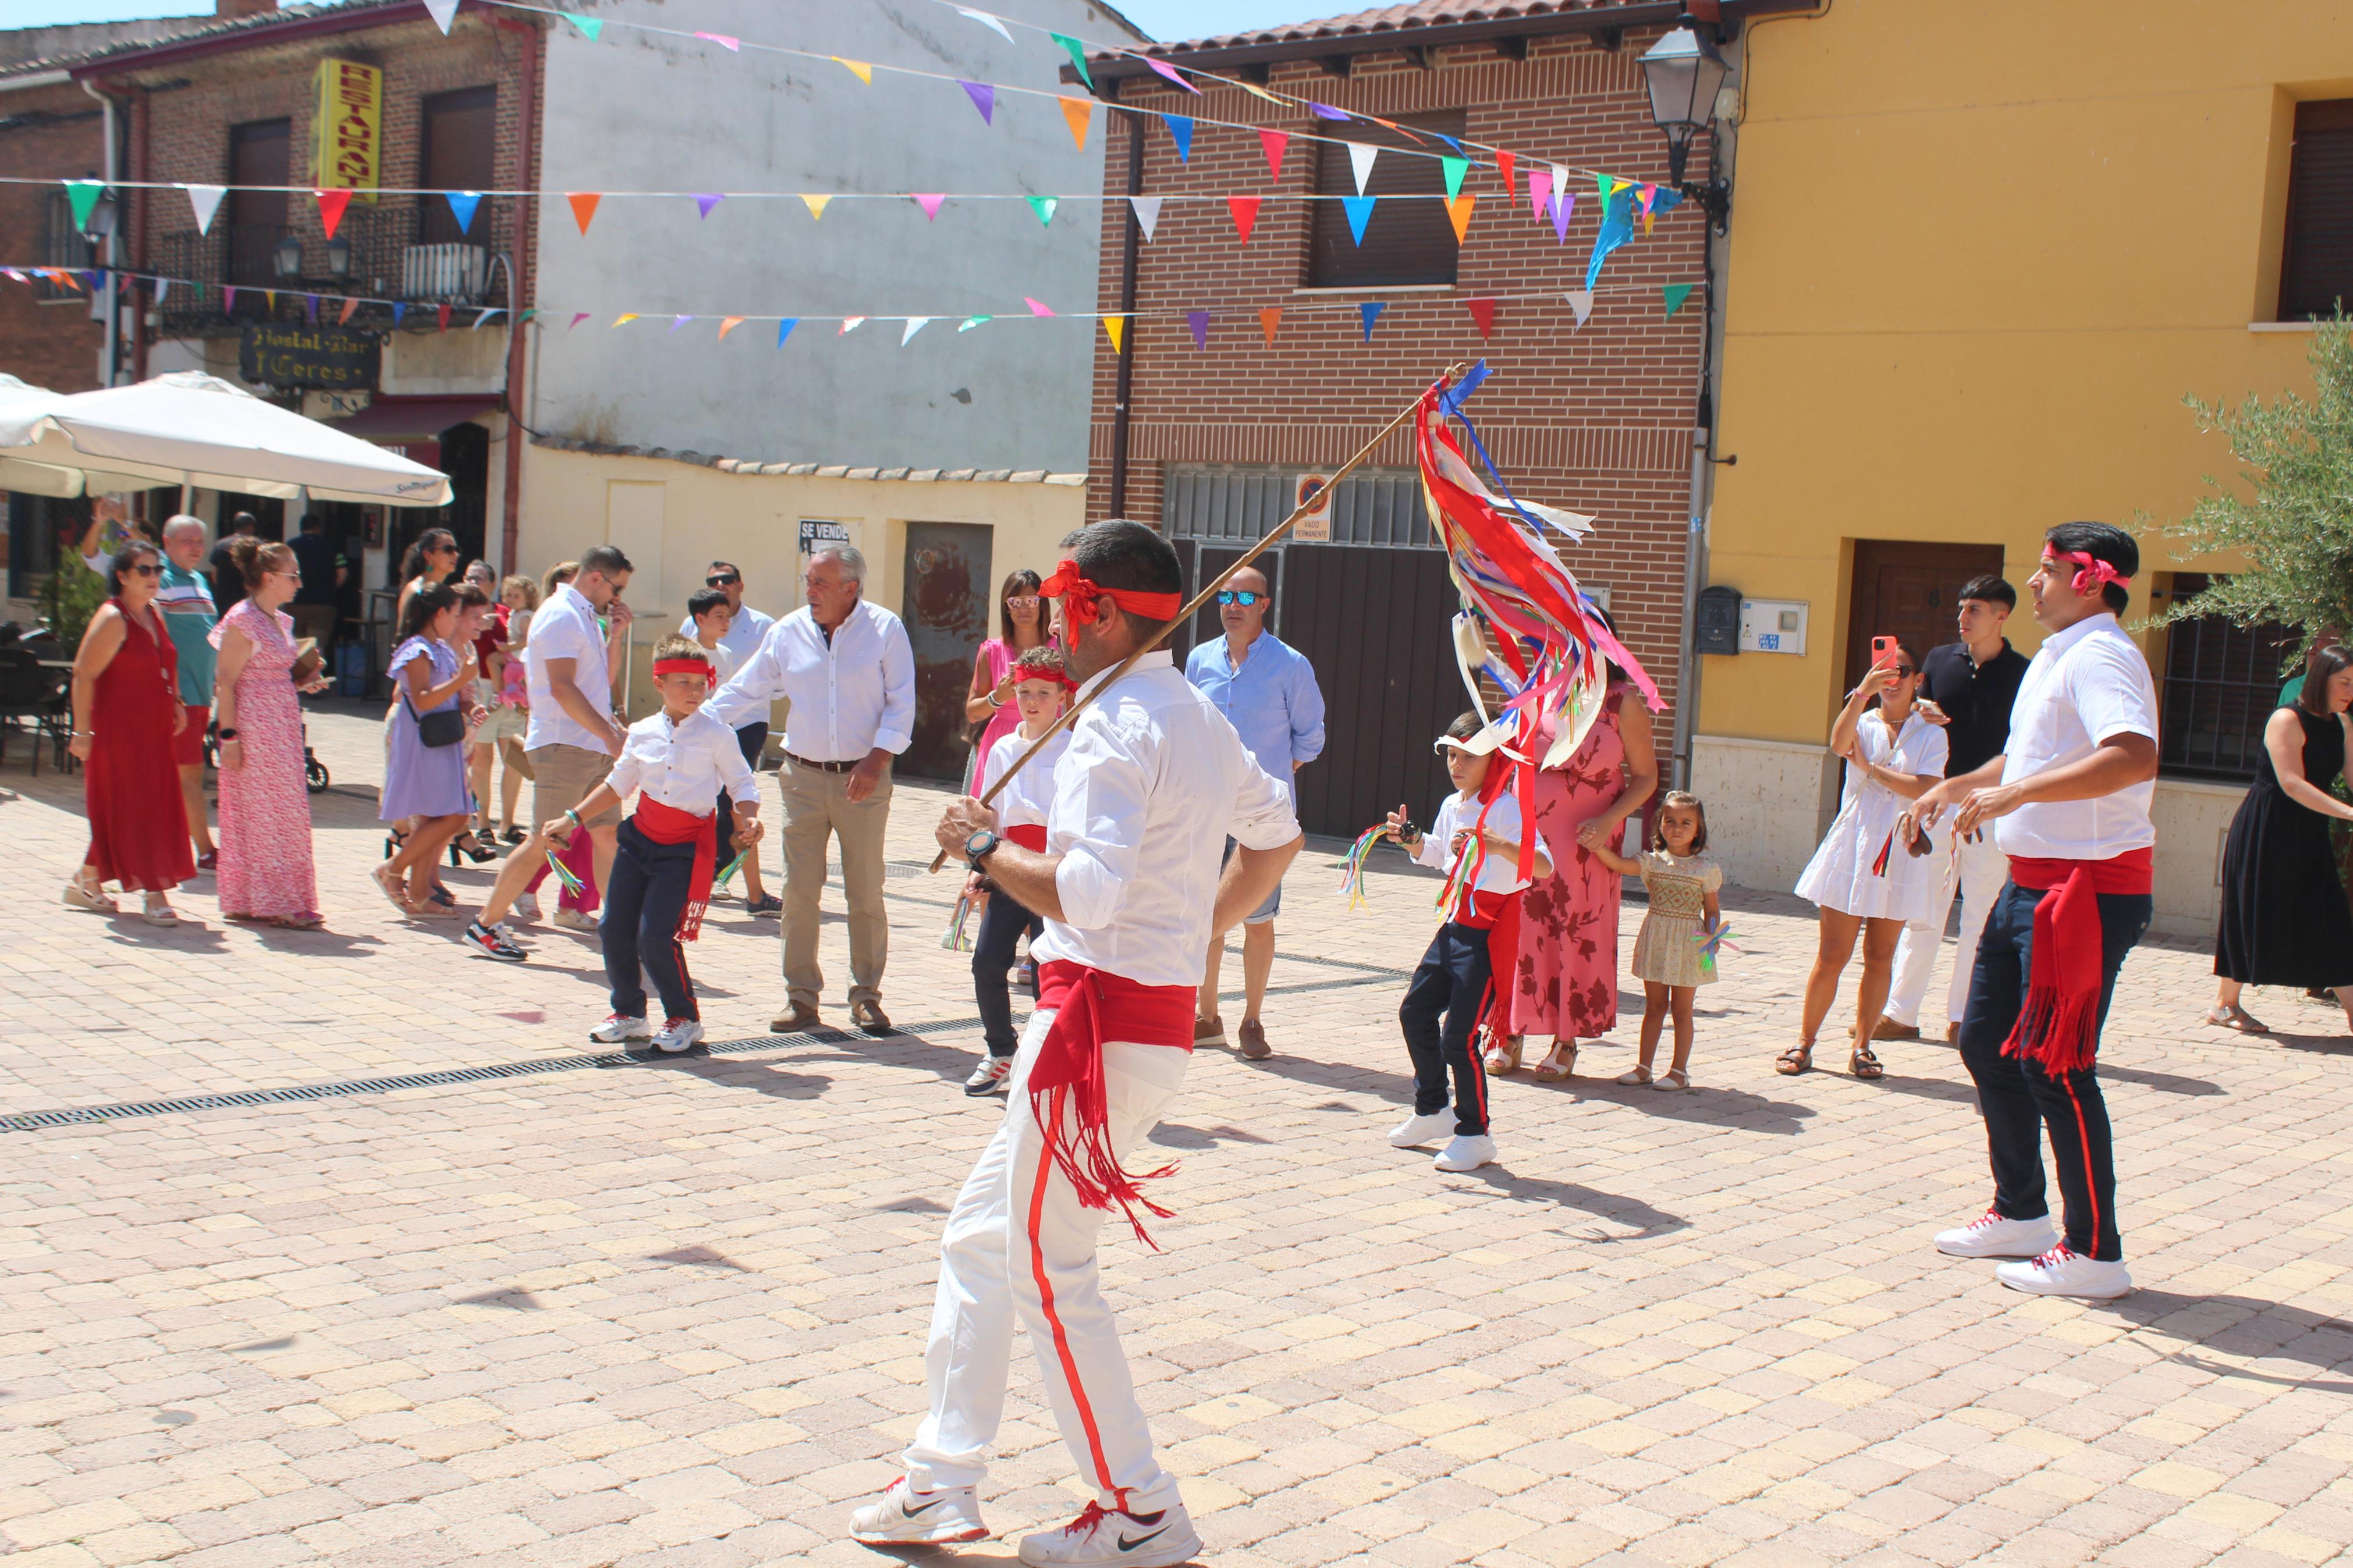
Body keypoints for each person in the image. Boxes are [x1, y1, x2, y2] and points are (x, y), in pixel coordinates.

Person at [850, 520, 1300, 1563]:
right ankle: (940, 1477)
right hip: (1127, 1025)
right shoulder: (1190, 712)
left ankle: (1139, 1506)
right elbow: (1276, 835)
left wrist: (983, 844)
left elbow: (1088, 895)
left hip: (1094, 1028)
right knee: (980, 1237)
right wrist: (1190, 936)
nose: (1049, 619)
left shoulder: (1115, 723)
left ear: (1091, 608)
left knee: (1049, 1267)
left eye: (1060, 601)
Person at [1905, 522, 2160, 1300]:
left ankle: (2094, 1253)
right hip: (2029, 884)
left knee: (2057, 1064)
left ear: (2088, 579)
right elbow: (2025, 760)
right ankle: (2020, 1213)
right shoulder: (2057, 654)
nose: (2032, 582)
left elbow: (2132, 754)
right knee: (1985, 1042)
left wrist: (2015, 793)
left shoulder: (2101, 655)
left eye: (2046, 569)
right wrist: (1957, 786)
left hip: (2085, 891)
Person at [709, 546, 914, 1032]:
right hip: (800, 777)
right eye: (808, 580)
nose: (810, 591)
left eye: (820, 582)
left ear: (850, 588)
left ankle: (866, 996)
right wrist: (693, 721)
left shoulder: (885, 628)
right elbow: (746, 688)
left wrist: (875, 760)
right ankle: (800, 998)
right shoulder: (787, 631)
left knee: (864, 891)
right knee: (799, 891)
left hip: (863, 778)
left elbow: (902, 703)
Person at [543, 636, 764, 1044]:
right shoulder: (641, 732)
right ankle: (629, 1012)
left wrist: (749, 816)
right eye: (683, 683)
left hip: (683, 848)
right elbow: (618, 784)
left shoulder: (717, 733)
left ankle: (684, 1018)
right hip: (638, 841)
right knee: (613, 928)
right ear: (659, 683)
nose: (695, 691)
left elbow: (741, 783)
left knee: (655, 935)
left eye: (701, 683)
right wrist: (572, 818)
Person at [1384, 713, 1553, 1174]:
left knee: (1458, 1039)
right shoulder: (1452, 803)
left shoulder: (1510, 808)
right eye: (1451, 755)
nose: (1456, 765)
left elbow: (1543, 865)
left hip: (1488, 936)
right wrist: (1413, 840)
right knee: (1414, 1013)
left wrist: (1501, 846)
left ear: (1494, 758)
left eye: (1468, 757)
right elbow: (1439, 853)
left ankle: (1476, 1134)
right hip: (1453, 926)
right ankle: (1432, 1108)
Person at [1499, 608, 1658, 1080]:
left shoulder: (1620, 701)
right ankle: (1509, 1029)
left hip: (1587, 840)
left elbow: (1645, 777)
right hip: (1529, 832)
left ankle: (1564, 1038)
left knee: (1572, 931)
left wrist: (1609, 820)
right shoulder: (1539, 689)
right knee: (1521, 927)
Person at [461, 547, 636, 960]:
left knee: (606, 835)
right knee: (547, 838)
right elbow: (561, 687)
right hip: (564, 745)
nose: (618, 598)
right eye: (617, 588)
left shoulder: (584, 614)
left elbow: (601, 681)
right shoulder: (560, 614)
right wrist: (609, 735)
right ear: (596, 577)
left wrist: (616, 636)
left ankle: (621, 930)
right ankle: (485, 924)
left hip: (590, 744)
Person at [1784, 639, 1947, 1078]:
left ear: (1918, 680)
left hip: (1898, 850)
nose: (1892, 680)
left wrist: (1872, 769)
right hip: (1853, 847)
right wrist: (1861, 692)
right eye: (1884, 671)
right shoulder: (1863, 720)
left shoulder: (1931, 733)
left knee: (1880, 954)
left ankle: (1862, 1046)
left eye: (1902, 671)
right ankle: (1804, 1042)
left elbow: (1925, 787)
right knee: (1832, 953)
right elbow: (1839, 744)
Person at [1879, 576, 2031, 1044]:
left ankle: (1965, 1018)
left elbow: (2023, 743)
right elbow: (1913, 714)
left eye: (1974, 609)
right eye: (1962, 608)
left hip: (1991, 807)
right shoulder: (1938, 659)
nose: (1962, 617)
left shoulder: (2025, 673)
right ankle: (1899, 1013)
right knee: (1924, 908)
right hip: (1938, 804)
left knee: (1981, 914)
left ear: (2001, 615)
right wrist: (1921, 710)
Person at [1183, 565, 1326, 1059]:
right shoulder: (1199, 660)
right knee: (1207, 918)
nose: (1233, 605)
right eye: (1225, 596)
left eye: (1245, 597)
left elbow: (1310, 737)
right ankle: (1207, 1018)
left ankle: (1252, 1020)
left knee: (1257, 920)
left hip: (1262, 819)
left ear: (1265, 604)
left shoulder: (1290, 664)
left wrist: (1273, 774)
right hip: (1206, 811)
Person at [2208, 643, 2353, 1034]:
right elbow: (2291, 783)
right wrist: (2347, 812)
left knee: (2330, 914)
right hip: (2267, 828)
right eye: (2344, 682)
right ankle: (2224, 1004)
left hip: (2310, 830)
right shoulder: (2286, 719)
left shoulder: (2342, 723)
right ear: (2321, 678)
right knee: (2252, 911)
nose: (2350, 691)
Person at [963, 645, 1075, 1097]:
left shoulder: (1074, 748)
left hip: (1051, 872)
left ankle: (1047, 1059)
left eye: (1043, 693)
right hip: (1010, 867)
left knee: (1047, 971)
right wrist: (980, 865)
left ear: (1063, 697)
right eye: (1025, 691)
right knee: (987, 961)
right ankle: (1001, 1051)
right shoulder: (1003, 749)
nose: (1032, 701)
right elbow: (991, 815)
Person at [63, 541, 193, 925]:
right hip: (117, 732)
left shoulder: (154, 612)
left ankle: (87, 879)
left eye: (158, 570)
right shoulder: (112, 617)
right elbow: (83, 674)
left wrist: (177, 701)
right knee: (138, 809)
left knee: (143, 806)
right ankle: (155, 892)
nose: (154, 577)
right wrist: (81, 732)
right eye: (144, 570)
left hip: (154, 729)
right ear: (122, 575)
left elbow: (166, 662)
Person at [211, 536, 328, 927]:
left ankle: (261, 897)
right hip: (254, 728)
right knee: (264, 814)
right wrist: (229, 737)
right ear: (268, 578)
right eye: (292, 575)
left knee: (285, 812)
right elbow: (226, 682)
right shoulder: (242, 619)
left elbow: (276, 676)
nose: (299, 583)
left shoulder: (283, 621)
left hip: (283, 727)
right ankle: (276, 900)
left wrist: (304, 680)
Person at [1584, 792, 1723, 1091]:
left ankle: (1679, 1071)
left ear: (1698, 829)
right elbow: (1618, 865)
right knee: (1654, 1007)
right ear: (1659, 824)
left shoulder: (1706, 869)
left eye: (1686, 822)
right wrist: (1597, 846)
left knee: (1682, 1010)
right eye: (1669, 821)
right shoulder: (1652, 862)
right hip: (1657, 939)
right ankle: (1644, 1068)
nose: (1677, 828)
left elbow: (1712, 909)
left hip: (1690, 945)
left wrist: (1712, 938)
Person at [374, 583, 480, 915]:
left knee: (436, 815)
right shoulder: (417, 650)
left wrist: (469, 706)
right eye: (455, 614)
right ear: (440, 613)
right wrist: (461, 680)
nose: (457, 620)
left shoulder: (440, 648)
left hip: (442, 739)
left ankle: (419, 891)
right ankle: (393, 869)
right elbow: (420, 700)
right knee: (453, 814)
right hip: (423, 741)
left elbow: (451, 696)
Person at [687, 585, 779, 918]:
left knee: (741, 813)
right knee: (691, 816)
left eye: (729, 616)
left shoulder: (725, 656)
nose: (727, 622)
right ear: (700, 619)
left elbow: (730, 702)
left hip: (723, 742)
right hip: (692, 748)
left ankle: (755, 893)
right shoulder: (685, 653)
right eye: (719, 616)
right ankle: (691, 884)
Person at [155, 516, 220, 870]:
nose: (195, 548)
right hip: (181, 695)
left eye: (199, 541)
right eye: (187, 541)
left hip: (201, 692)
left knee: (183, 773)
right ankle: (206, 850)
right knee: (190, 773)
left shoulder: (199, 580)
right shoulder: (159, 579)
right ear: (167, 542)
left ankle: (169, 843)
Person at [963, 568, 1049, 791]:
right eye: (1015, 602)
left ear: (1042, 604)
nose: (1024, 608)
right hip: (1000, 744)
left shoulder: (1060, 649)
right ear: (1006, 607)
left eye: (1031, 600)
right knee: (995, 809)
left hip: (1047, 740)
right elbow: (973, 713)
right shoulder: (991, 651)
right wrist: (997, 697)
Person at [475, 574, 540, 845]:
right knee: (482, 760)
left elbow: (526, 642)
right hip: (482, 689)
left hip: (512, 690)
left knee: (513, 760)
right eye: (470, 577)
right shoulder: (462, 610)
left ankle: (508, 823)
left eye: (480, 578)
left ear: (491, 583)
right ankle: (482, 823)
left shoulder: (507, 613)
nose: (474, 582)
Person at [285, 513, 347, 647]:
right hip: (323, 605)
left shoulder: (290, 547)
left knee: (293, 647)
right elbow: (342, 572)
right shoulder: (332, 546)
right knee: (314, 649)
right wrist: (331, 588)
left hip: (294, 603)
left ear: (301, 528)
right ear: (318, 528)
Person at [393, 528, 459, 628]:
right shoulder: (417, 590)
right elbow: (406, 632)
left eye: (457, 550)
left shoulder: (445, 591)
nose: (456, 555)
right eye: (448, 549)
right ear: (428, 555)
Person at [207, 512, 259, 610]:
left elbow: (214, 573)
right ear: (251, 528)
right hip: (249, 601)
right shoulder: (258, 546)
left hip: (224, 599)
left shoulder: (220, 544)